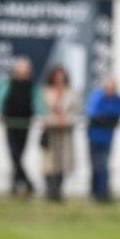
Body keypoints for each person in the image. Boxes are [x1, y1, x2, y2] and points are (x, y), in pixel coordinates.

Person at [0, 58, 44, 198]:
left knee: (19, 154)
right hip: (11, 123)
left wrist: (43, 116)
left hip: (25, 124)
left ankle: (15, 186)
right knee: (15, 155)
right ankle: (28, 183)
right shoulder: (7, 84)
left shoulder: (32, 85)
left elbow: (39, 103)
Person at [40, 66, 78, 203]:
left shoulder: (72, 93)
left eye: (62, 78)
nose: (59, 81)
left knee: (62, 162)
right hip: (50, 131)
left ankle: (58, 192)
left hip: (64, 132)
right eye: (57, 78)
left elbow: (75, 112)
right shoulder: (46, 93)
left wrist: (66, 120)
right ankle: (50, 191)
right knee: (50, 163)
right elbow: (42, 111)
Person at [86, 77, 120, 203]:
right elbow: (95, 115)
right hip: (95, 137)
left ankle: (103, 193)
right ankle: (96, 193)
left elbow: (115, 116)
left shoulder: (119, 100)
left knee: (104, 166)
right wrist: (107, 118)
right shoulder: (99, 97)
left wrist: (106, 118)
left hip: (107, 138)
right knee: (97, 166)